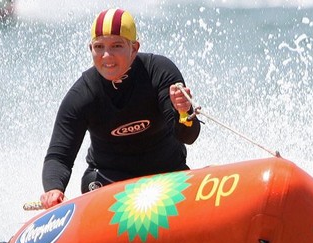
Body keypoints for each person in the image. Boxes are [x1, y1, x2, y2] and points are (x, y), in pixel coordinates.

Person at [40, 8, 201, 209]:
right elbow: (59, 157)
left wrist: (184, 112)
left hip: (167, 174)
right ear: (90, 49)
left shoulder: (159, 72)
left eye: (116, 45)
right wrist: (54, 188)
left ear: (134, 48)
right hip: (108, 182)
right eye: (99, 46)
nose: (106, 56)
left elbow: (188, 136)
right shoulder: (83, 94)